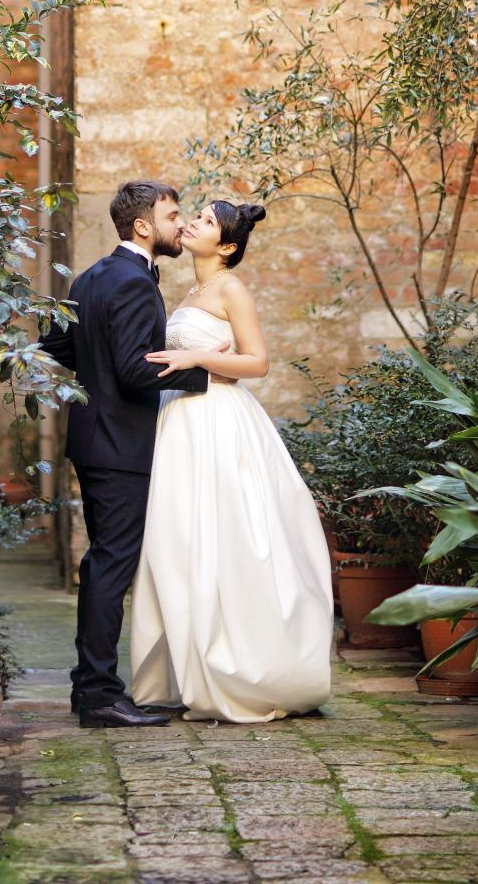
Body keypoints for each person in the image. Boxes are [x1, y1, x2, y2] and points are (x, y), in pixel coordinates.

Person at [129, 201, 334, 723]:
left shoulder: (230, 288)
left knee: (226, 536)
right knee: (181, 539)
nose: (193, 223)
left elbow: (256, 362)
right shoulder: (192, 291)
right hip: (181, 422)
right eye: (193, 215)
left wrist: (196, 358)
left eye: (206, 222)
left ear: (225, 247)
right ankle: (189, 660)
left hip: (219, 421)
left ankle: (243, 664)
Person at [40, 180, 214, 729]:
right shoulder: (136, 284)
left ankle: (89, 688)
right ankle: (97, 695)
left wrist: (98, 376)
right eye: (172, 215)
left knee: (103, 564)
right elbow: (138, 370)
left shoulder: (91, 276)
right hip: (121, 445)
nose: (179, 225)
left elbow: (55, 343)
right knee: (110, 567)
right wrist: (206, 367)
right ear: (143, 226)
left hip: (94, 439)